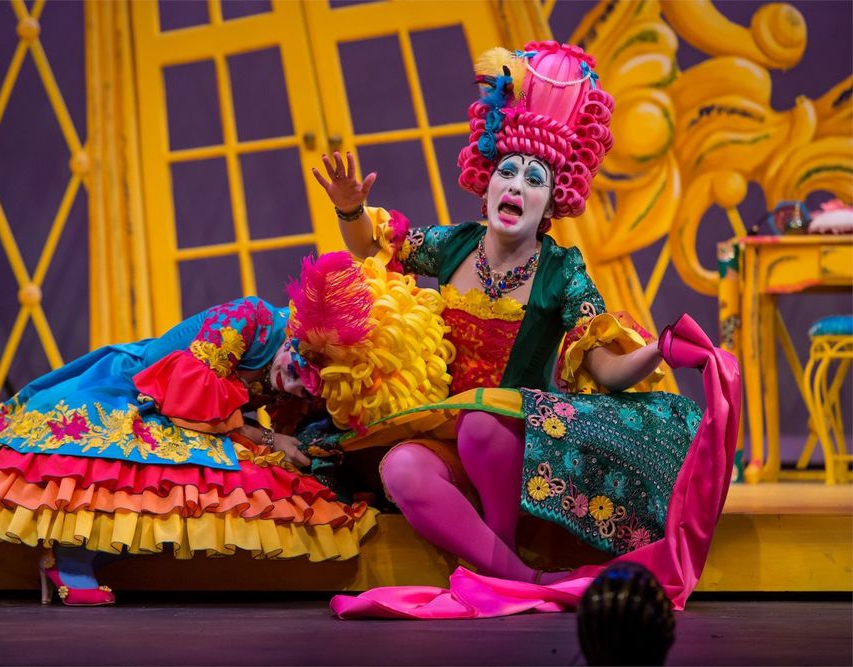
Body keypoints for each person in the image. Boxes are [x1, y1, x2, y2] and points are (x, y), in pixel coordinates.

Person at [312, 42, 740, 618]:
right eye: (507, 172)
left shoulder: (561, 271)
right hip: (445, 429)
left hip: (509, 442)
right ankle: (518, 576)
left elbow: (604, 367)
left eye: (534, 179)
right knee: (401, 468)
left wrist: (658, 349)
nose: (516, 185)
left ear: (550, 202)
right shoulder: (452, 244)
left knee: (484, 423)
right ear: (487, 184)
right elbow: (373, 247)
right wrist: (349, 211)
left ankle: (502, 544)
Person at [0, 252, 404, 606]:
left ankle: (74, 560)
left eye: (313, 383)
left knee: (243, 484)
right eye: (302, 371)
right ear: (299, 337)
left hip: (194, 419)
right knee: (144, 468)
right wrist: (266, 438)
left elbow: (262, 427)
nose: (301, 386)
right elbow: (189, 399)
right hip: (133, 394)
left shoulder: (295, 381)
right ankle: (70, 560)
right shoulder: (250, 319)